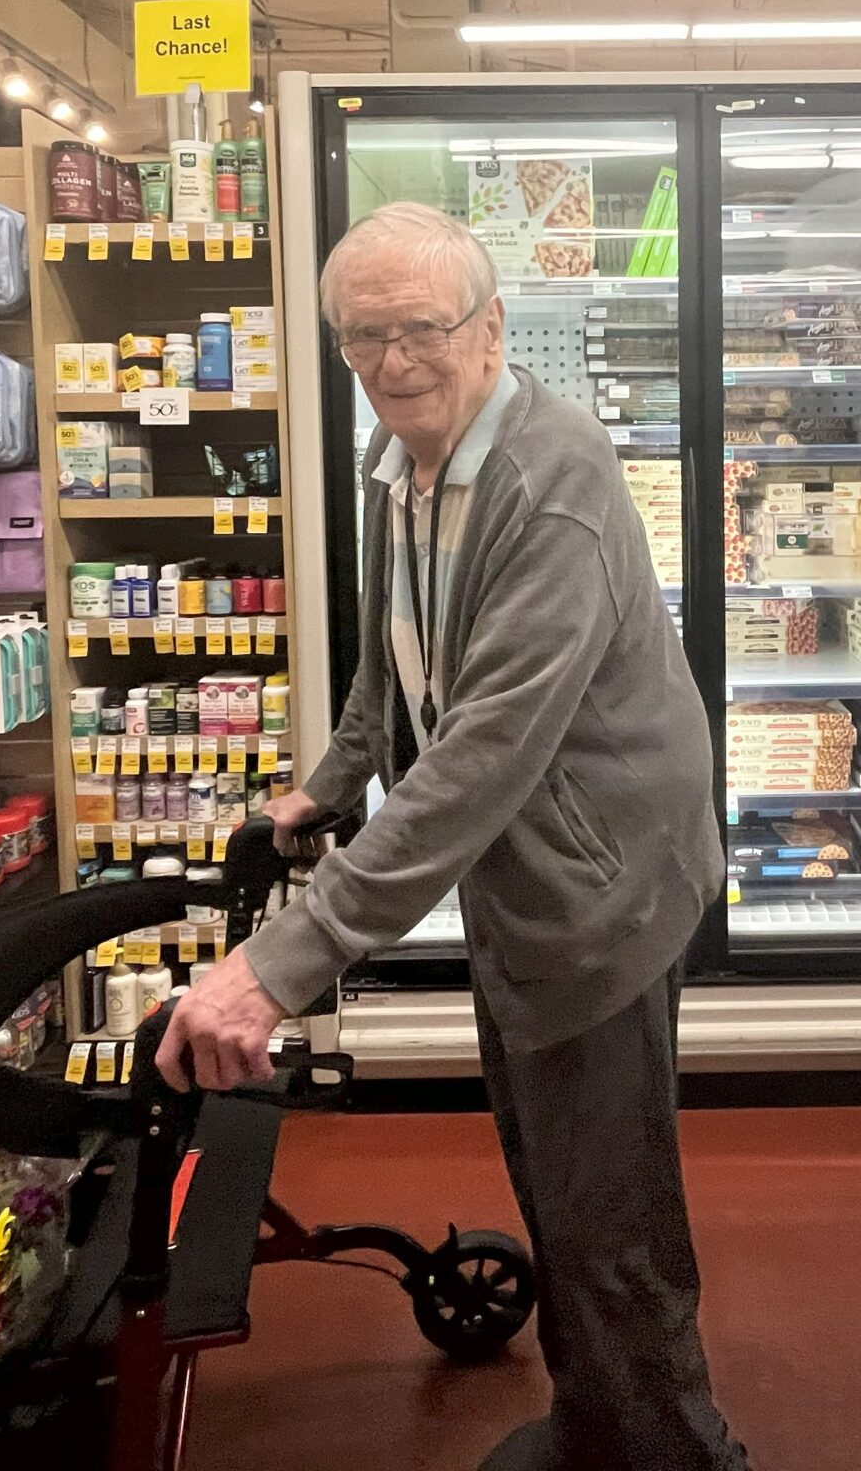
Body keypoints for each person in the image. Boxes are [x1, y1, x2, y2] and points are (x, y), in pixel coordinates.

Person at [157, 201, 748, 1471]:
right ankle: (602, 1424)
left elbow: (488, 744)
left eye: (419, 329)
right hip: (522, 876)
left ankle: (678, 1453)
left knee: (609, 1207)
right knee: (553, 1175)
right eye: (361, 338)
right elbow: (399, 662)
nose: (391, 362)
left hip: (600, 883)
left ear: (488, 331)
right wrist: (326, 785)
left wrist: (278, 966)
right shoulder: (406, 467)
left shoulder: (554, 480)